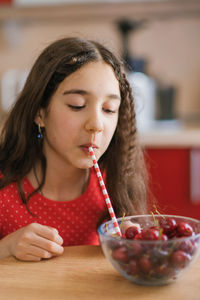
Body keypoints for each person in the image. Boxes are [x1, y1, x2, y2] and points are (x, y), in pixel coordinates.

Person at [0, 37, 148, 261]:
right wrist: (6, 249)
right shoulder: (4, 185)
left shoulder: (115, 182)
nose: (96, 125)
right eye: (76, 105)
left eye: (109, 109)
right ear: (40, 112)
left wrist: (134, 243)